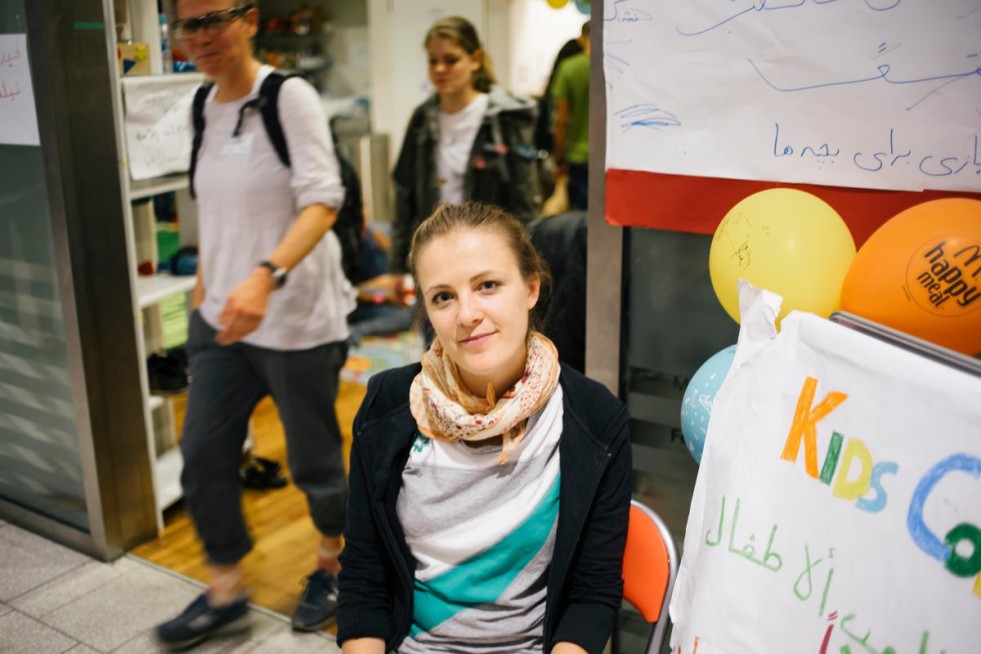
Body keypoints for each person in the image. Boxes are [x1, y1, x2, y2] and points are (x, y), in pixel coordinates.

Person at [337, 202, 632, 654]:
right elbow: (364, 574)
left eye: (487, 286)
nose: (467, 314)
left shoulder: (593, 420)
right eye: (443, 297)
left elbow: (591, 595)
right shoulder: (388, 408)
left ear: (531, 288)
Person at [155, 0, 354, 648]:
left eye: (214, 18)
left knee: (314, 464)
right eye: (189, 24)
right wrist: (208, 293)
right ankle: (225, 590)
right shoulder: (198, 108)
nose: (201, 36)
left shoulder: (287, 98)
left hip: (298, 320)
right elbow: (213, 213)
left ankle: (333, 562)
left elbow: (323, 200)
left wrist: (264, 275)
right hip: (223, 325)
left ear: (251, 19)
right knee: (203, 454)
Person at [390, 16, 542, 277]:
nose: (440, 69)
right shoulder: (422, 119)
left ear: (475, 60)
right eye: (433, 61)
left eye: (451, 60)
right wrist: (396, 267)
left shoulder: (504, 117)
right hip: (435, 252)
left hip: (490, 254)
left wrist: (526, 267)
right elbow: (405, 194)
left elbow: (525, 199)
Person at [551, 21, 591, 211]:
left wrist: (559, 157)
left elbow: (561, 120)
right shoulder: (615, 67)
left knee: (582, 218)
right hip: (611, 157)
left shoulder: (569, 67)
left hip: (577, 155)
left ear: (581, 40)